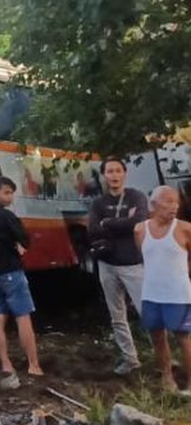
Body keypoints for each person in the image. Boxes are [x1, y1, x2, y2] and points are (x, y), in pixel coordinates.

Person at [0, 176, 43, 388]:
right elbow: (25, 239)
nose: (10, 196)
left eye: (11, 192)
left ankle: (6, 364)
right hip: (10, 273)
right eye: (6, 192)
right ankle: (33, 365)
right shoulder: (7, 216)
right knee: (23, 317)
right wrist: (18, 244)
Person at [88, 157, 148, 375]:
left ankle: (164, 357)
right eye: (109, 171)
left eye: (117, 171)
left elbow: (140, 222)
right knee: (117, 316)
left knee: (148, 312)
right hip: (107, 264)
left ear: (124, 173)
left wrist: (108, 223)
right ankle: (130, 358)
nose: (113, 175)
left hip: (133, 263)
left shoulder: (136, 197)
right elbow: (93, 230)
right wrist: (123, 223)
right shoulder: (98, 203)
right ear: (104, 175)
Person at [134, 186, 191, 394]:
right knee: (157, 337)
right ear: (153, 205)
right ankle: (167, 378)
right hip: (151, 294)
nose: (174, 206)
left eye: (176, 202)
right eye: (167, 201)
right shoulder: (140, 230)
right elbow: (144, 256)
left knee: (183, 338)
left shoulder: (184, 228)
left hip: (178, 295)